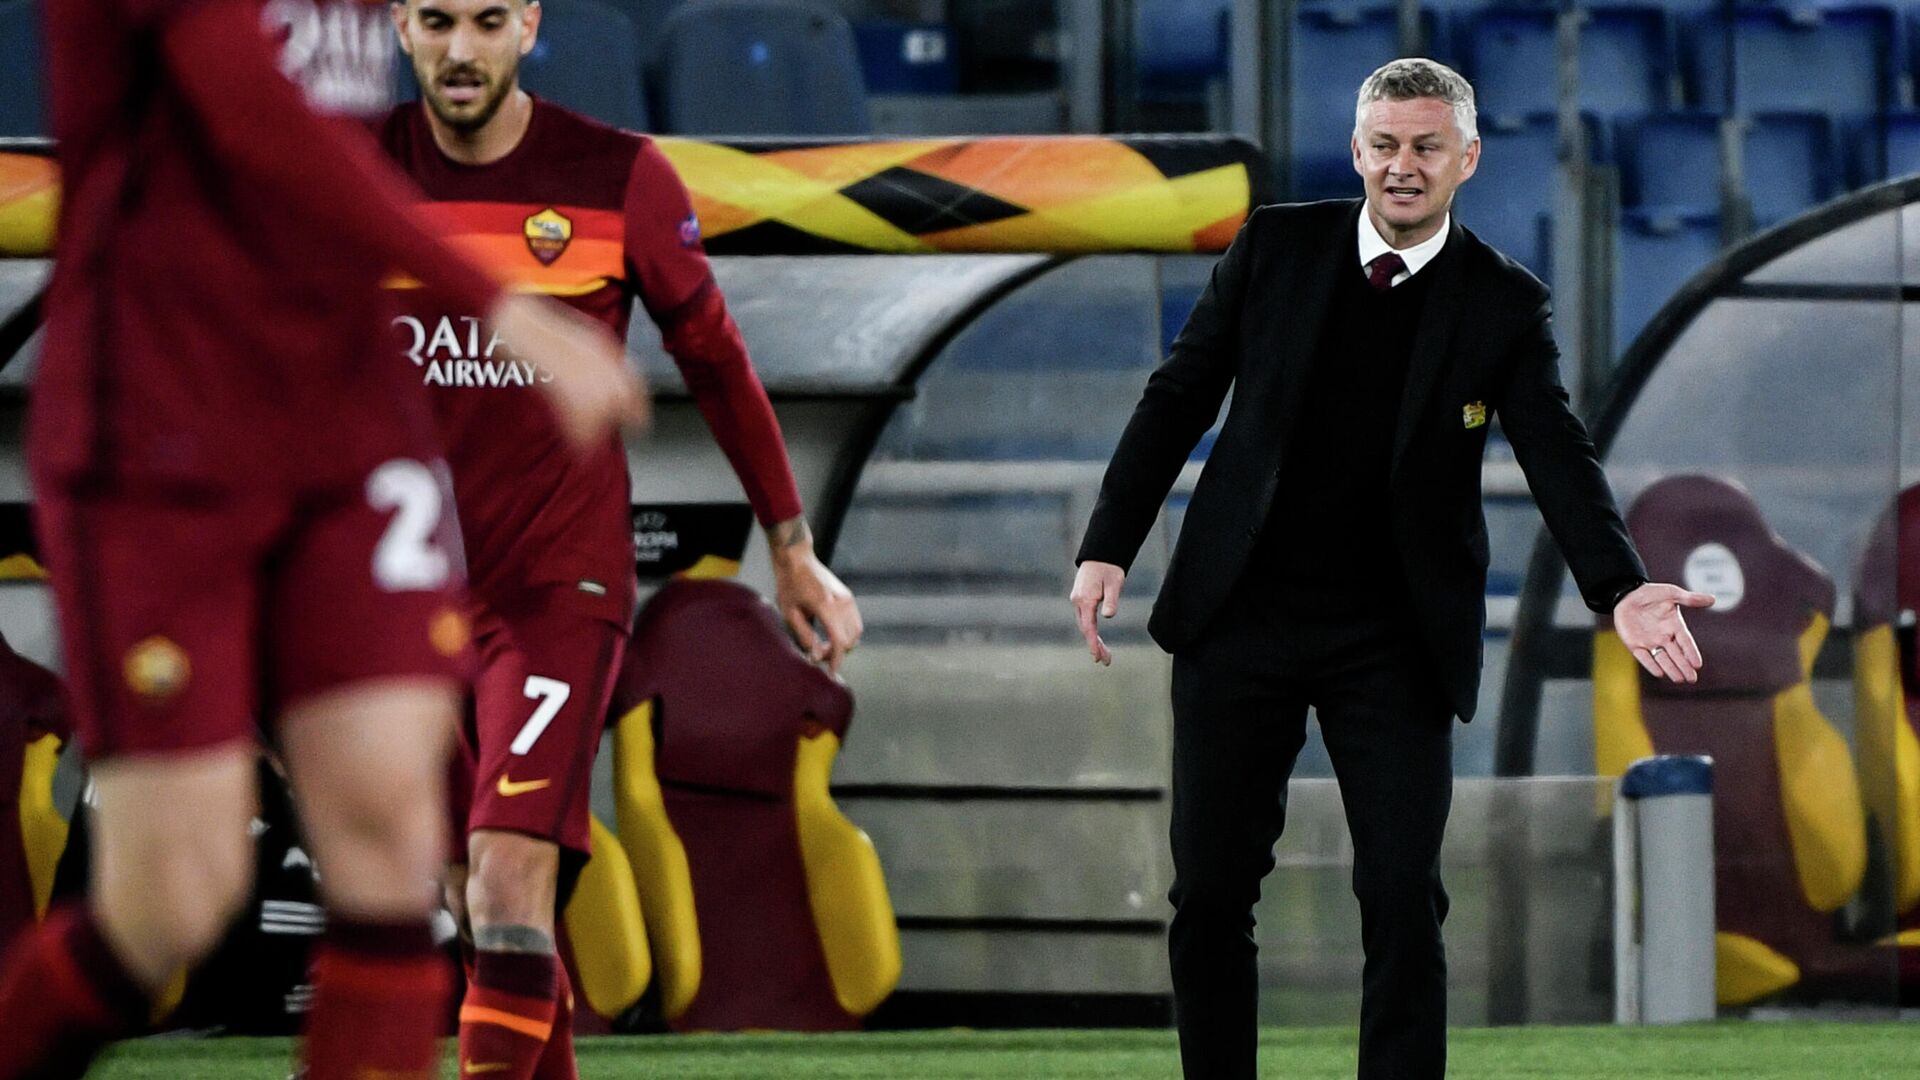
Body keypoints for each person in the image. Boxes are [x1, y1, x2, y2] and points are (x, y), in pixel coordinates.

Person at [0, 0, 644, 1073]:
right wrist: (499, 300)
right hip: (164, 426)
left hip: (348, 428)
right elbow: (252, 109)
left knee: (395, 860)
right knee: (171, 899)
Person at [1068, 59, 1713, 1080]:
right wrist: (1109, 543)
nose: (1401, 168)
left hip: (1395, 640)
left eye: (1424, 148)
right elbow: (1177, 396)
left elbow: (1556, 449)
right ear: (1358, 149)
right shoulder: (1274, 249)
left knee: (1403, 894)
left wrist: (1620, 584)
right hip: (1242, 617)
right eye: (1383, 145)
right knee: (1211, 891)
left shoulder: (1504, 302)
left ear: (1466, 159)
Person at [381, 1, 863, 1074]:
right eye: (438, 20)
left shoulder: (618, 176)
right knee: (476, 899)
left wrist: (790, 546)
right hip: (405, 598)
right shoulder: (353, 176)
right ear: (399, 24)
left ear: (530, 25)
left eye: (489, 20)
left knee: (506, 873)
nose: (463, 50)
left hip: (557, 592)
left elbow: (717, 363)